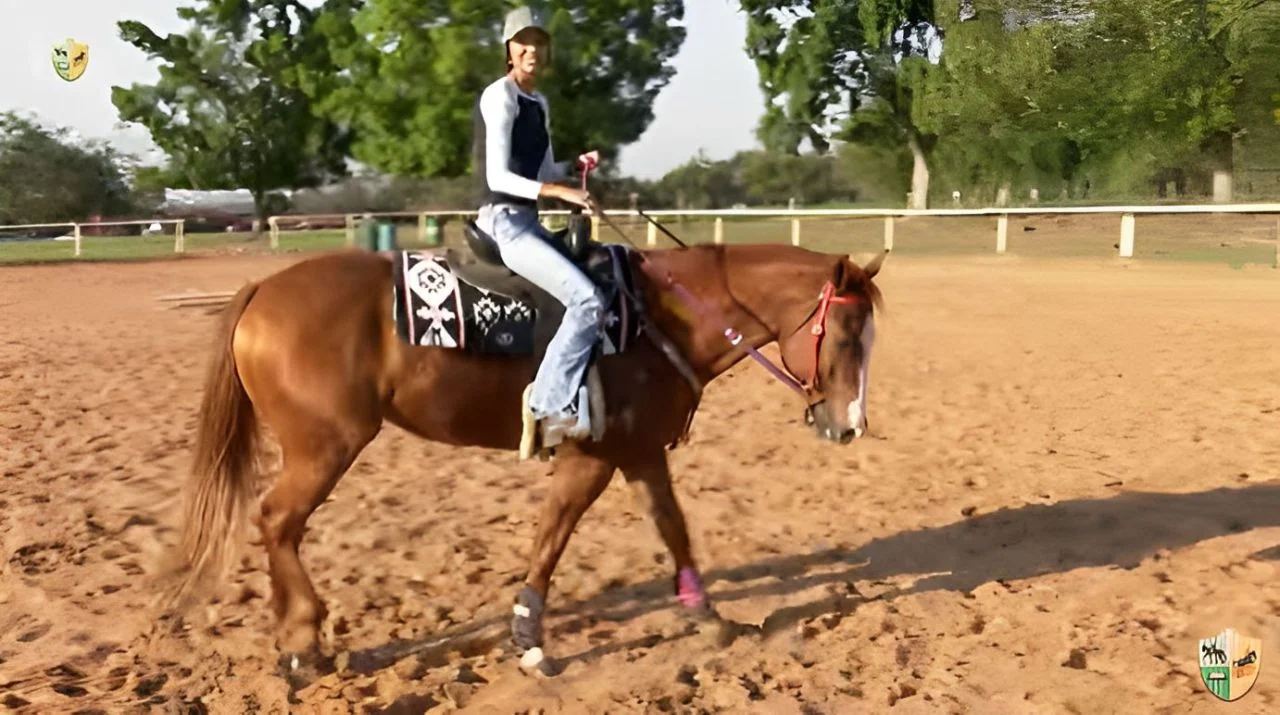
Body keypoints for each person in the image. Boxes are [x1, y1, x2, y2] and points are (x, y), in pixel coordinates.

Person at [472, 6, 604, 444]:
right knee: (588, 302)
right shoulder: (500, 97)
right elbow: (498, 178)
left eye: (539, 43)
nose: (531, 50)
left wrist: (574, 168)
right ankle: (547, 407)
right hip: (504, 223)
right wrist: (559, 193)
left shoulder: (538, 103)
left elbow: (543, 169)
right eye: (522, 42)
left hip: (527, 220)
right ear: (509, 50)